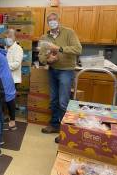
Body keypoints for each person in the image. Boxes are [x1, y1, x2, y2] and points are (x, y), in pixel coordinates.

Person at [39, 12, 82, 143]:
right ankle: (54, 125)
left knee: (63, 102)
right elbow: (40, 56)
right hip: (53, 70)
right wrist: (48, 59)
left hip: (66, 71)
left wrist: (59, 48)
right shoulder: (45, 37)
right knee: (53, 100)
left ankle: (65, 131)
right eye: (49, 20)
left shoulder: (69, 32)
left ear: (58, 20)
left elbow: (78, 49)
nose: (52, 22)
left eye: (54, 19)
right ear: (47, 23)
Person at [5, 29, 23, 130]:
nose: (8, 38)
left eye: (10, 36)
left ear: (15, 37)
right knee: (5, 100)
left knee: (10, 100)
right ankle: (6, 117)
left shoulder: (18, 48)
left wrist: (3, 66)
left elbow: (16, 64)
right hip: (5, 78)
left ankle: (12, 120)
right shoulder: (5, 48)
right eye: (7, 36)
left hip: (13, 78)